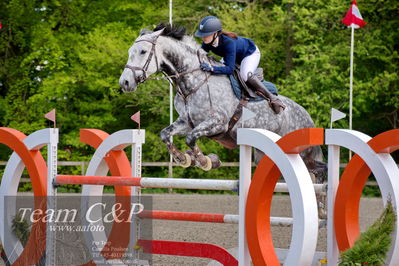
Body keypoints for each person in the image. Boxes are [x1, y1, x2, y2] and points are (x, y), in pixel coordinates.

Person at [195, 16, 285, 114]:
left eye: (206, 35)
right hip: (233, 56)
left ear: (216, 34)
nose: (203, 37)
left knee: (245, 74)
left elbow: (229, 69)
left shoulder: (228, 42)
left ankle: (273, 98)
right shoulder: (207, 42)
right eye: (202, 35)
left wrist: (212, 68)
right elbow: (201, 53)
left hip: (249, 54)